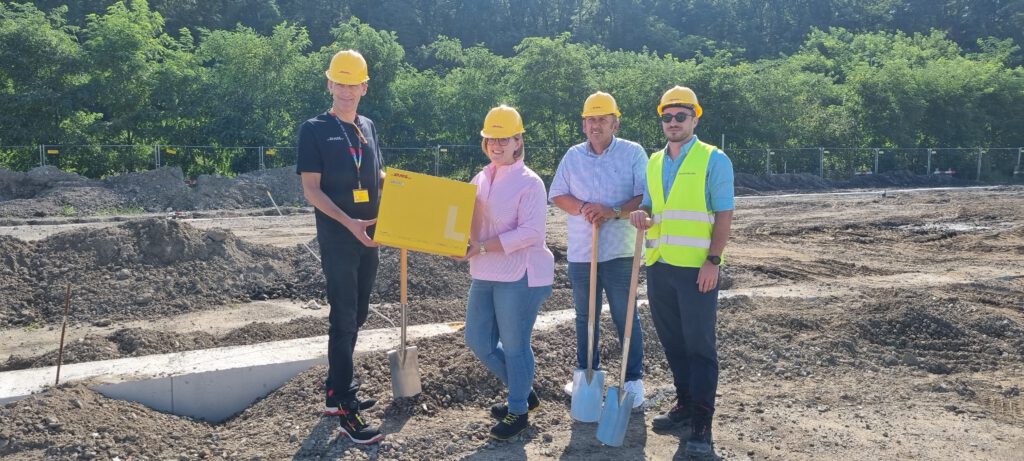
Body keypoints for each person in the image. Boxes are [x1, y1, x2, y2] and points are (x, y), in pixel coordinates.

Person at [629, 86, 734, 457]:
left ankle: (702, 423)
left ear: (695, 118)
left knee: (700, 346)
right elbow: (651, 204)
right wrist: (640, 213)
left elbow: (723, 214)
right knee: (673, 343)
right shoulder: (655, 161)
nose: (673, 122)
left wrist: (714, 260)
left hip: (696, 271)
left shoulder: (714, 160)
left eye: (681, 116)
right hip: (660, 267)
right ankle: (685, 404)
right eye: (667, 117)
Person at [296, 49, 385, 444]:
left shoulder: (368, 126)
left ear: (364, 87)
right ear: (329, 83)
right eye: (340, 83)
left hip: (371, 235)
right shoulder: (314, 129)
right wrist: (349, 222)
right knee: (344, 314)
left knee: (360, 311)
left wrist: (414, 193)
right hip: (338, 236)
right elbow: (311, 190)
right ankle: (345, 402)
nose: (347, 90)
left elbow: (377, 174)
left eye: (354, 84)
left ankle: (335, 390)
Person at [459, 105, 554, 440]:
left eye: (503, 139)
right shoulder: (480, 178)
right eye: (490, 139)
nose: (496, 145)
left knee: (514, 345)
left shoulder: (531, 183)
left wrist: (483, 246)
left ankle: (518, 411)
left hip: (520, 273)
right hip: (485, 271)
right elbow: (464, 222)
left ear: (518, 141)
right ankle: (523, 391)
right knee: (478, 340)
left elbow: (530, 233)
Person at [548, 91, 648, 407]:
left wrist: (612, 209)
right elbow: (557, 194)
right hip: (581, 252)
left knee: (625, 314)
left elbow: (645, 197)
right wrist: (584, 208)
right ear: (583, 124)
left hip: (619, 251)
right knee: (584, 316)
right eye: (591, 119)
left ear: (615, 123)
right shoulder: (573, 156)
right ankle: (587, 373)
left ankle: (633, 380)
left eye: (603, 119)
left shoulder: (633, 153)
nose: (596, 125)